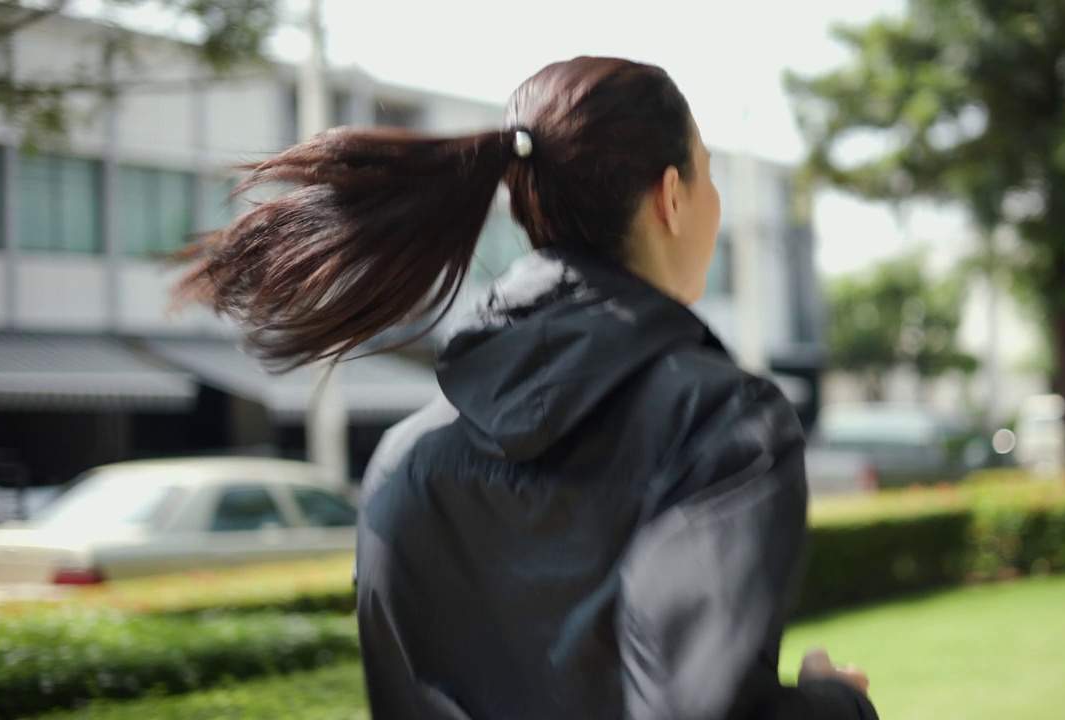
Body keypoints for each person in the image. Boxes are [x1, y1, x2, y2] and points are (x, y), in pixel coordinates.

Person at [176, 56, 878, 720]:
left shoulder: (404, 460)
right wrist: (834, 702)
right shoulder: (724, 423)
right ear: (671, 197)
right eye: (709, 175)